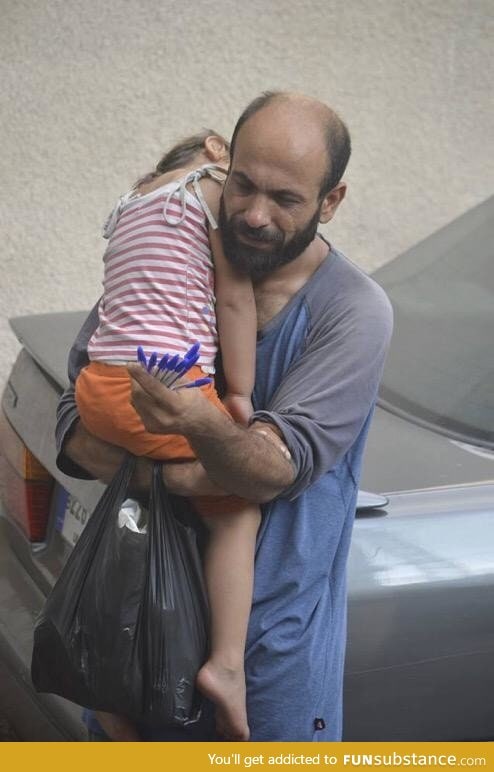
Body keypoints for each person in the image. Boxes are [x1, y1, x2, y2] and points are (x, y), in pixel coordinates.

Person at [56, 91, 393, 741]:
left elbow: (268, 472)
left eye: (286, 200)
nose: (255, 215)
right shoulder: (180, 259)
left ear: (331, 202)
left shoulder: (353, 311)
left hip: (266, 671)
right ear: (225, 162)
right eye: (243, 185)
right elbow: (73, 428)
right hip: (132, 632)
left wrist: (195, 426)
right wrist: (198, 470)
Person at [72, 131, 260, 741]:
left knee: (143, 508)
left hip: (98, 386)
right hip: (162, 388)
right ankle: (225, 668)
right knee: (237, 505)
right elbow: (233, 299)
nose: (250, 195)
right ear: (215, 148)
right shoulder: (212, 189)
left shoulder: (131, 202)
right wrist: (238, 396)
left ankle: (105, 681)